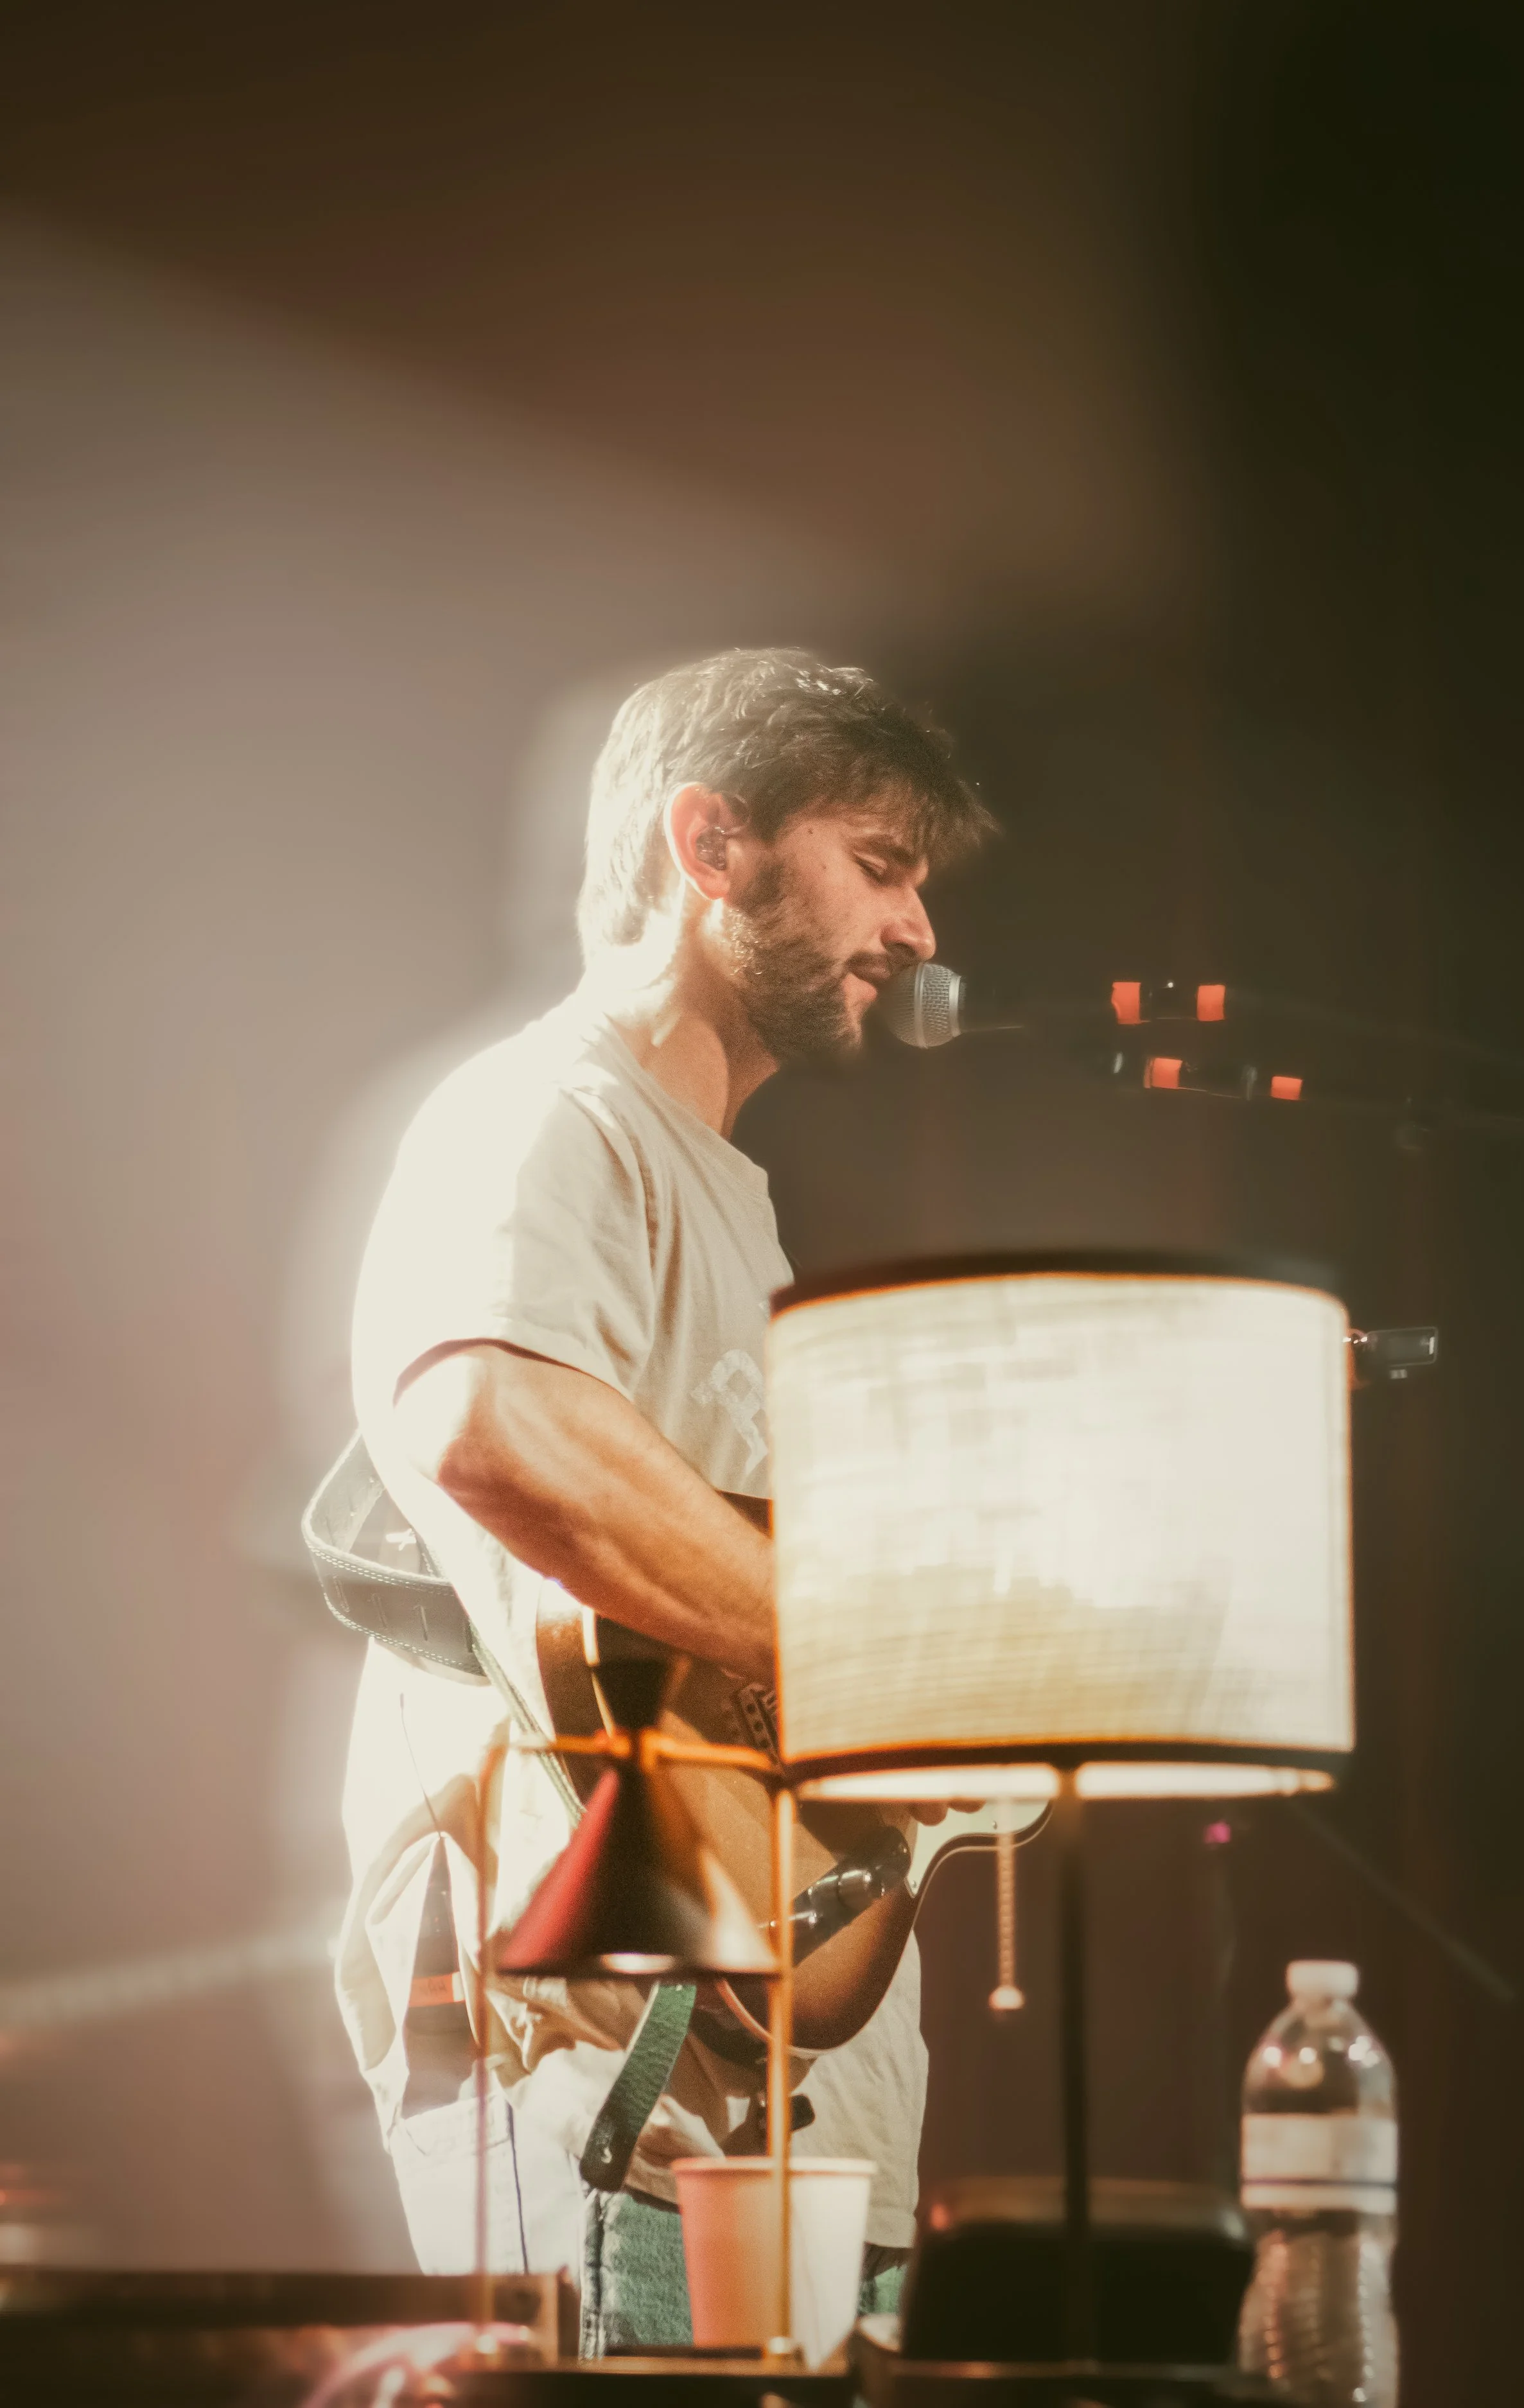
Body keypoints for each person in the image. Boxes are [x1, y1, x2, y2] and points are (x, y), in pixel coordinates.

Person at [335, 647, 993, 2347]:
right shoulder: (548, 1115)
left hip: (761, 2099)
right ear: (711, 845)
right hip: (609, 2108)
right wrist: (874, 1663)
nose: (918, 932)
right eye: (881, 860)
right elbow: (492, 1420)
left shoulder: (725, 1193)